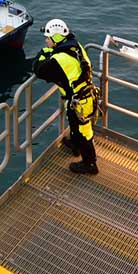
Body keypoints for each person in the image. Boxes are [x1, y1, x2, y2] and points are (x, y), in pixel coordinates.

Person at [32, 19, 98, 175]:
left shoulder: (59, 60)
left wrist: (43, 53)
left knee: (84, 132)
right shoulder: (74, 45)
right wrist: (51, 51)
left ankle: (90, 165)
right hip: (82, 97)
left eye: (48, 38)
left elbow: (38, 69)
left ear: (55, 38)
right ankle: (75, 145)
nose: (45, 40)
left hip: (80, 101)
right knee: (75, 124)